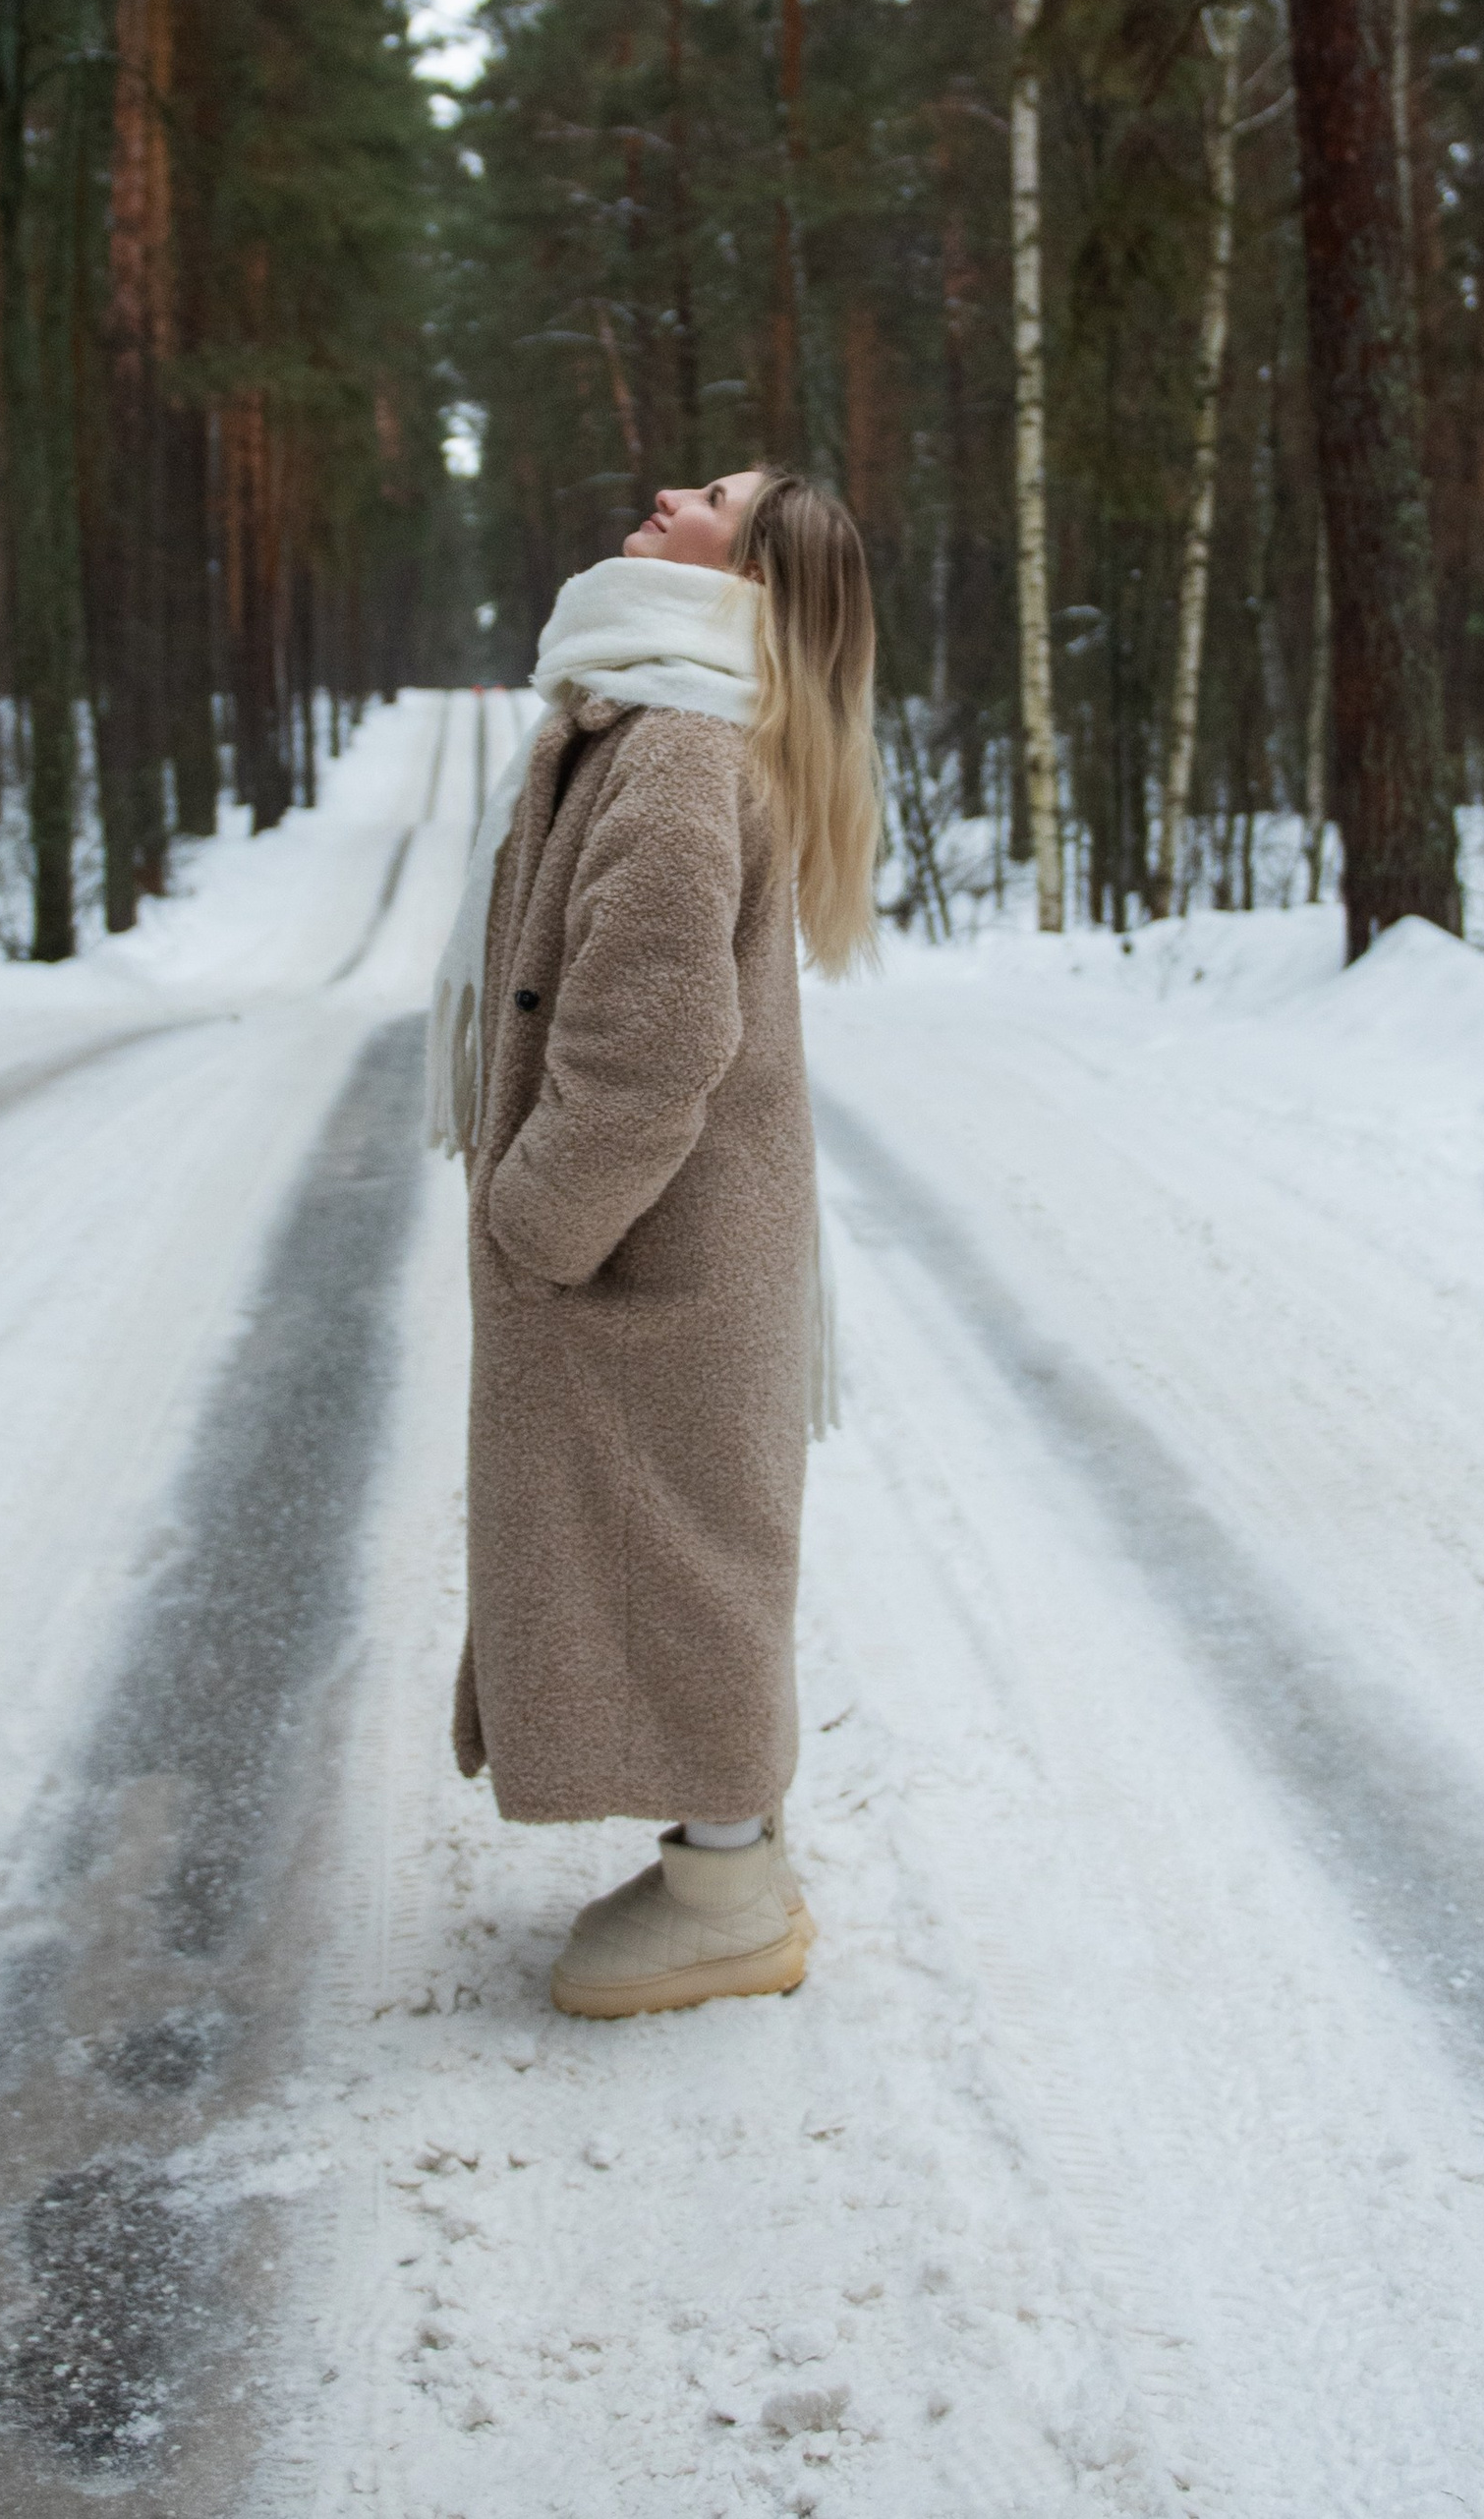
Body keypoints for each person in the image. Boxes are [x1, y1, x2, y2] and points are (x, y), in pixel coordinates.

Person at [426, 466, 879, 2020]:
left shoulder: (679, 746)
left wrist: (534, 1216)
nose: (666, 492)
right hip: (676, 1255)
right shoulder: (657, 715)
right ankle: (720, 1864)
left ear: (746, 572)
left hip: (653, 1259)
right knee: (690, 1549)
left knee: (687, 1561)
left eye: (712, 496)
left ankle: (731, 1897)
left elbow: (651, 1043)